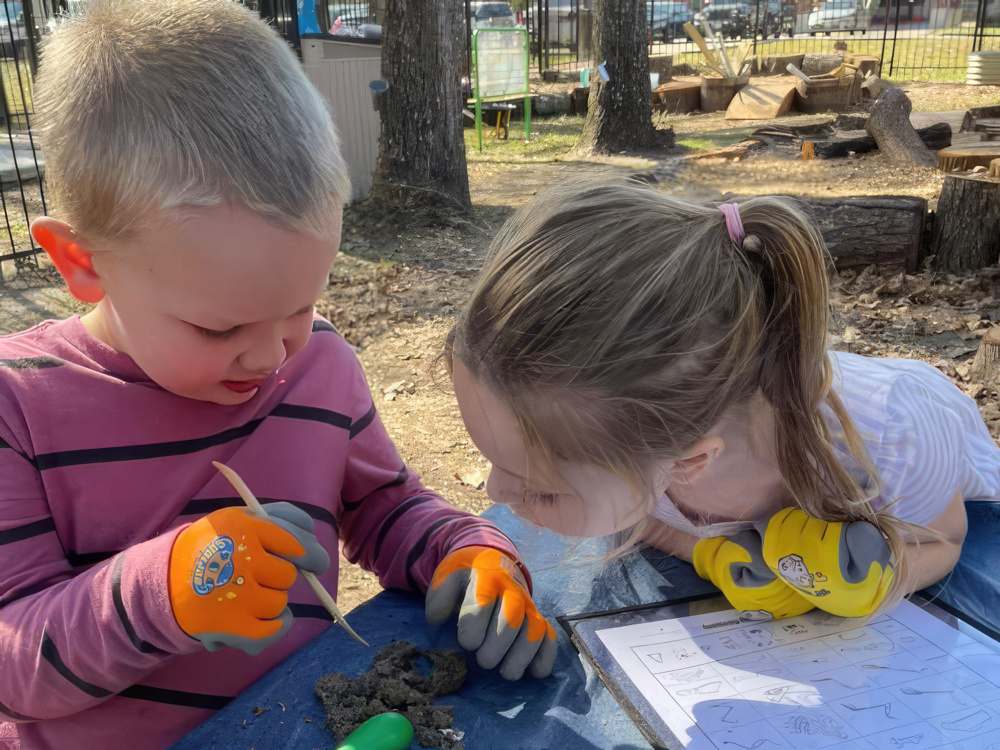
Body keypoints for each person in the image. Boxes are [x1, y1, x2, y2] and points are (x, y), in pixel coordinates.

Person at [0, 1, 555, 747]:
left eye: (300, 305)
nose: (271, 357)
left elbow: (385, 507)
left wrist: (471, 552)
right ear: (82, 262)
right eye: (219, 326)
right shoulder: (18, 405)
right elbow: (14, 665)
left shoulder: (318, 363)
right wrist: (164, 591)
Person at [446, 179, 999, 631]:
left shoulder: (895, 439)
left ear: (689, 463)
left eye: (542, 489)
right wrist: (709, 554)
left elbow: (946, 537)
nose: (494, 493)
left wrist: (883, 577)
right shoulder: (643, 452)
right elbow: (645, 521)